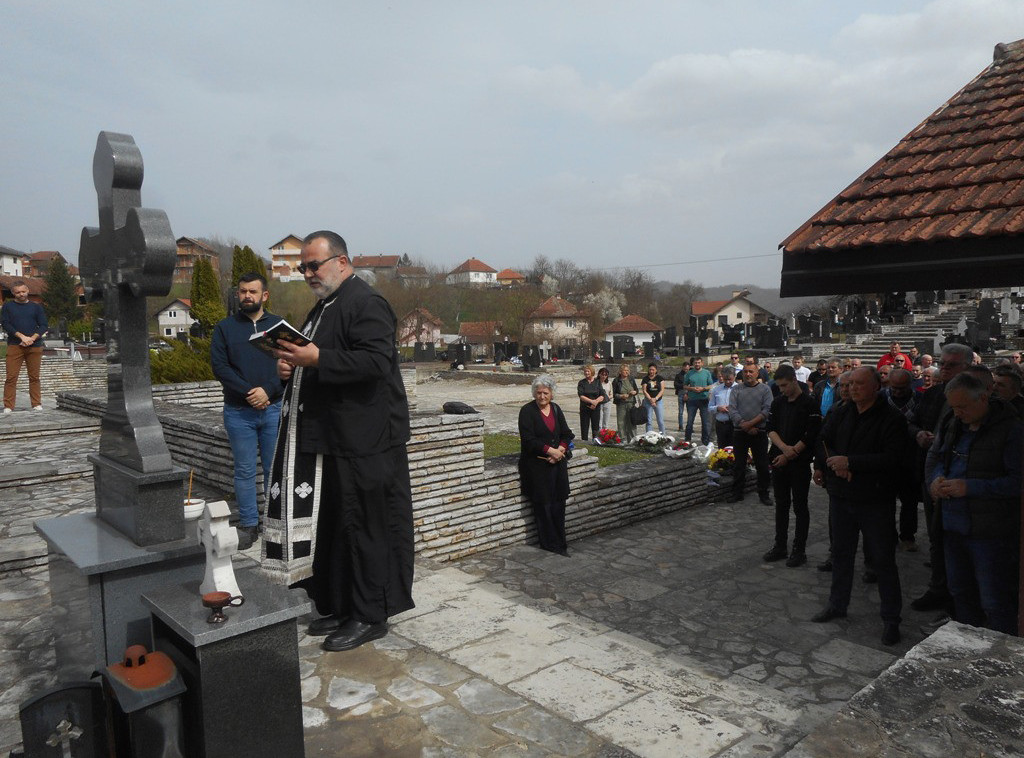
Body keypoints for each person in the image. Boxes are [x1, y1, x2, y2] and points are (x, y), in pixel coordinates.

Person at [271, 230, 414, 652]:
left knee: (367, 528)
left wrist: (317, 359)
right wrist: (291, 366)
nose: (308, 274)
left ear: (342, 262)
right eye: (303, 268)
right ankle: (340, 603)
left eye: (313, 265)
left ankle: (370, 614)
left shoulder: (366, 303)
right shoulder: (323, 307)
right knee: (335, 527)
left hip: (368, 440)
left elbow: (375, 362)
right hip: (334, 438)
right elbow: (316, 358)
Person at [812, 367, 907, 646]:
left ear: (876, 386)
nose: (853, 388)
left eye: (859, 384)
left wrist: (851, 463)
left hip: (874, 499)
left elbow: (893, 458)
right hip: (841, 496)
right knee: (841, 554)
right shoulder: (841, 412)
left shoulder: (891, 418)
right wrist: (829, 465)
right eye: (850, 383)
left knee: (882, 560)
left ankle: (891, 619)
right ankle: (837, 604)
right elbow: (824, 441)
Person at [925, 372, 1021, 634]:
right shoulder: (954, 422)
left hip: (989, 533)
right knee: (960, 591)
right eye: (954, 407)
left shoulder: (1011, 430)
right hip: (952, 525)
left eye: (963, 407)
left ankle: (1001, 650)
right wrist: (936, 480)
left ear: (983, 398)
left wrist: (970, 487)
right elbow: (940, 458)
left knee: (994, 600)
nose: (958, 413)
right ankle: (967, 644)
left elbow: (1017, 482)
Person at [210, 272, 284, 550]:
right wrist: (250, 393)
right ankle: (249, 524)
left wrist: (268, 390)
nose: (247, 296)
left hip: (273, 409)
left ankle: (275, 522)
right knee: (244, 471)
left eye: (252, 291)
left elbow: (291, 364)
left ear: (265, 295)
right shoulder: (225, 328)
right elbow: (220, 367)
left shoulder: (278, 327)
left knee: (275, 470)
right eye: (242, 291)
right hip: (239, 412)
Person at [907, 343, 972, 617]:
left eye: (951, 365)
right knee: (935, 534)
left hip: (961, 481)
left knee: (958, 542)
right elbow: (909, 420)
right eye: (942, 363)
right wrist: (918, 433)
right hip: (931, 473)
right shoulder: (932, 393)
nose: (944, 369)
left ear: (968, 366)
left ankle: (959, 599)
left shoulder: (977, 399)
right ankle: (938, 587)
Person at [763, 364, 821, 567]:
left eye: (785, 385)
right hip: (779, 458)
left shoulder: (809, 403)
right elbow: (771, 429)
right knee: (781, 504)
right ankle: (780, 545)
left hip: (799, 462)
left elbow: (811, 433)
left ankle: (799, 549)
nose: (782, 390)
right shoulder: (778, 402)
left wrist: (792, 452)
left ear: (794, 381)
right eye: (779, 386)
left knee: (800, 506)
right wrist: (783, 449)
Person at [518, 375, 574, 556]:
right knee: (544, 507)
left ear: (551, 394)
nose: (542, 396)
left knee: (559, 505)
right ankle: (549, 544)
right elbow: (529, 440)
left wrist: (559, 451)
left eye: (545, 393)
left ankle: (561, 543)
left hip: (557, 466)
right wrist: (551, 451)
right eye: (539, 393)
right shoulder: (527, 411)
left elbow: (567, 434)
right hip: (538, 467)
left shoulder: (556, 409)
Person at [726, 363, 773, 506]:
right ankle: (737, 493)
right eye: (745, 371)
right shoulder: (736, 389)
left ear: (757, 373)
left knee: (762, 465)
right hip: (740, 432)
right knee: (739, 464)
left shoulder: (765, 389)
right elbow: (732, 409)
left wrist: (751, 424)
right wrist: (744, 425)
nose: (748, 374)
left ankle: (763, 493)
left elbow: (767, 409)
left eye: (751, 371)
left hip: (759, 432)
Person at [885, 369, 920, 552]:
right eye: (894, 388)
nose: (897, 392)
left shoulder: (919, 399)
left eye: (902, 388)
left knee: (909, 501)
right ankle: (888, 536)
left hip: (910, 457)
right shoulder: (882, 398)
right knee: (886, 501)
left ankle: (907, 535)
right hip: (886, 457)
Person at [2, 281, 47, 413]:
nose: (21, 294)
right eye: (18, 292)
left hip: (34, 345)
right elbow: (5, 324)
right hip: (15, 345)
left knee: (34, 377)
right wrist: (22, 337)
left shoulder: (36, 307)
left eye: (23, 291)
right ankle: (8, 406)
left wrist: (31, 339)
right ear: (13, 293)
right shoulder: (8, 306)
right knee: (11, 377)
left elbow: (43, 325)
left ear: (27, 291)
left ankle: (36, 403)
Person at [682, 356, 714, 445]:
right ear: (693, 364)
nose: (697, 364)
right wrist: (692, 388)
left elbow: (711, 385)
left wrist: (703, 389)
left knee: (705, 422)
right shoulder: (689, 373)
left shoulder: (707, 373)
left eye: (699, 362)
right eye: (695, 363)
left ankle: (705, 441)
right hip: (692, 400)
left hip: (704, 400)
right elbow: (684, 386)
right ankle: (687, 440)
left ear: (702, 363)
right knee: (690, 422)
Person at [709, 366, 736, 448]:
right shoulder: (716, 390)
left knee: (735, 449)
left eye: (730, 379)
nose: (727, 381)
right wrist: (718, 408)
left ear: (734, 377)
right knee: (722, 450)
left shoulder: (740, 389)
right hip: (721, 425)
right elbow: (710, 407)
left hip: (735, 425)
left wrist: (733, 408)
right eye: (725, 379)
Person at [576, 365, 604, 442]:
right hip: (585, 408)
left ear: (592, 372)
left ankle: (595, 441)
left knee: (595, 427)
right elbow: (581, 395)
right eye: (585, 371)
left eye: (588, 371)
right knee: (584, 426)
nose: (586, 373)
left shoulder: (597, 382)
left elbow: (602, 395)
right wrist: (591, 401)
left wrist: (596, 402)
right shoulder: (581, 382)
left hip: (595, 408)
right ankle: (584, 441)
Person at [613, 364, 640, 442]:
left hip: (631, 403)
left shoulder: (631, 379)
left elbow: (637, 390)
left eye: (627, 370)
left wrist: (635, 392)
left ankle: (633, 439)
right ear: (620, 371)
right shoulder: (616, 380)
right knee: (621, 422)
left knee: (631, 421)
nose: (626, 372)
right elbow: (613, 394)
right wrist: (621, 396)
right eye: (625, 370)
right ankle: (622, 439)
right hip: (621, 404)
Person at [641, 363, 666, 434]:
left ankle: (663, 436)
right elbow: (644, 390)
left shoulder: (660, 378)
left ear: (656, 370)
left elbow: (662, 390)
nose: (651, 371)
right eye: (650, 370)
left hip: (658, 401)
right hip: (648, 401)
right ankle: (649, 435)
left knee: (660, 420)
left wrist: (655, 399)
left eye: (653, 370)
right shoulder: (645, 379)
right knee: (649, 421)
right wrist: (651, 400)